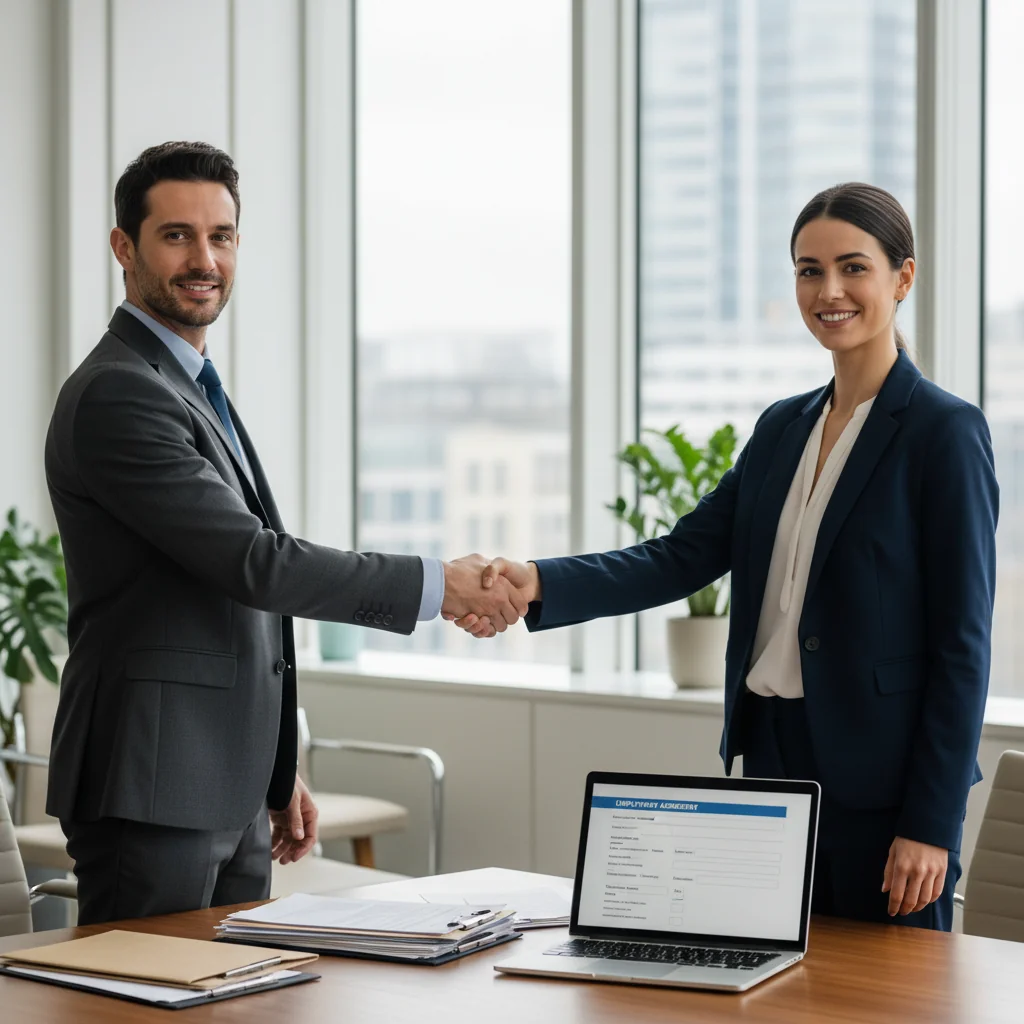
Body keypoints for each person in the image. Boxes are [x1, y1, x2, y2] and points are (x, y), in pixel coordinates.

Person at [452, 182, 998, 931]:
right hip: (772, 762)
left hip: (885, 784)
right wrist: (538, 580)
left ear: (903, 278)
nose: (829, 291)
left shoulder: (945, 432)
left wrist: (932, 821)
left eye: (852, 268)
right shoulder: (782, 428)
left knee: (888, 1003)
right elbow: (679, 556)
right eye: (809, 270)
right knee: (777, 985)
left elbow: (962, 646)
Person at [45, 141, 526, 925]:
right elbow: (255, 564)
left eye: (222, 236)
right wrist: (440, 586)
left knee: (237, 1000)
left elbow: (221, 603)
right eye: (177, 236)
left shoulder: (187, 384)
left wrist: (268, 773)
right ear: (123, 247)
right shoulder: (119, 395)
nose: (205, 258)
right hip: (151, 784)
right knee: (144, 1007)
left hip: (214, 781)